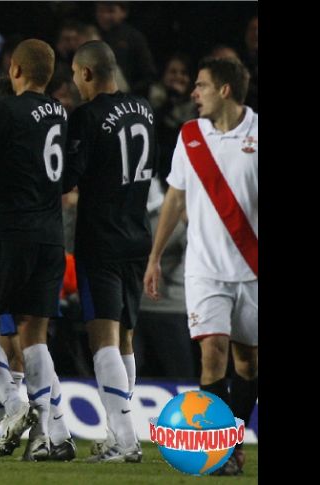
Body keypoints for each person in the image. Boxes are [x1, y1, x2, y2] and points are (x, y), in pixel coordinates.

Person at [143, 57, 257, 476]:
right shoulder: (190, 135)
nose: (193, 93)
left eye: (201, 86)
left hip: (252, 267)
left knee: (248, 363)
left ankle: (233, 439)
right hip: (204, 267)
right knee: (213, 354)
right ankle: (220, 451)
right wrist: (154, 257)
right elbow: (175, 197)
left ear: (224, 90)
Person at [0, 38, 67, 462]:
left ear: (15, 70)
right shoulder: (60, 112)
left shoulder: (4, 110)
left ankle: (13, 402)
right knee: (33, 336)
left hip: (9, 231)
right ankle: (47, 438)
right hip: (51, 235)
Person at [63, 40, 156, 463]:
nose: (75, 84)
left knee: (103, 339)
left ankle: (126, 441)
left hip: (101, 237)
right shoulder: (144, 109)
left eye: (75, 76)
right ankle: (117, 433)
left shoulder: (87, 116)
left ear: (86, 73)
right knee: (125, 340)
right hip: (137, 233)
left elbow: (67, 177)